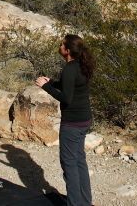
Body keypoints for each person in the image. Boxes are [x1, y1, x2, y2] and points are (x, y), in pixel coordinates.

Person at [35, 34, 95, 206]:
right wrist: (52, 82)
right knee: (79, 161)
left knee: (69, 164)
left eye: (62, 44)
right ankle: (84, 201)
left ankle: (75, 203)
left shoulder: (69, 68)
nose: (59, 46)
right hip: (84, 120)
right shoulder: (81, 65)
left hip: (72, 123)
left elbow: (66, 98)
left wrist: (45, 86)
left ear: (67, 50)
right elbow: (70, 84)